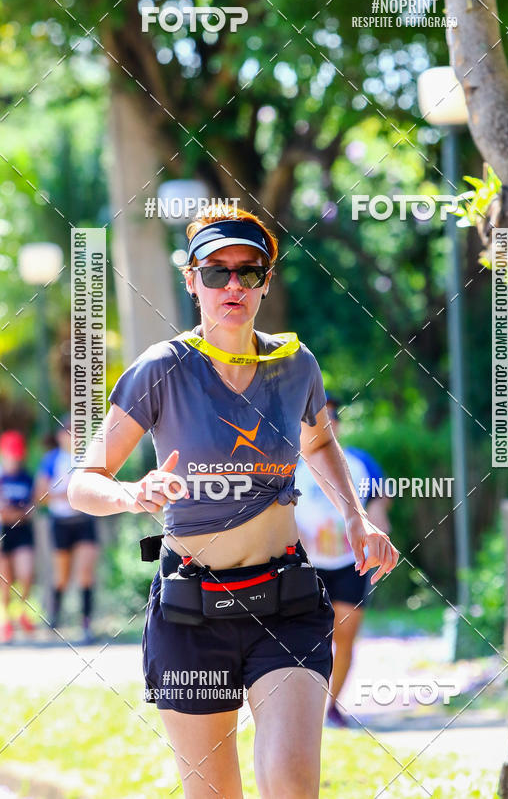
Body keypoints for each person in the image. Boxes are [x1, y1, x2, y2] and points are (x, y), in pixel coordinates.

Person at [68, 208, 400, 799]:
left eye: (249, 273)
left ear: (266, 280)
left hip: (286, 603)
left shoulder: (295, 364)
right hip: (192, 610)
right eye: (216, 272)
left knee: (292, 786)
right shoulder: (161, 369)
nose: (233, 287)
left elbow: (319, 440)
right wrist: (131, 493)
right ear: (191, 279)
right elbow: (83, 481)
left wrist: (354, 516)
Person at [294, 396, 391, 727]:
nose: (328, 421)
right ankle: (304, 707)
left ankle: (332, 705)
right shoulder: (290, 467)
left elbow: (378, 508)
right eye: (320, 417)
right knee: (307, 638)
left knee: (345, 632)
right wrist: (297, 539)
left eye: (332, 416)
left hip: (352, 562)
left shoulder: (361, 463)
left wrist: (379, 537)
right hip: (306, 564)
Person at [35, 416, 99, 643]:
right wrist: (65, 495)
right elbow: (40, 495)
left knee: (85, 573)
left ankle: (86, 625)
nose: (75, 438)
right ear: (61, 436)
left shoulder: (89, 459)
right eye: (70, 433)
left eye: (79, 433)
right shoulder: (51, 460)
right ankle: (54, 619)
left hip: (84, 522)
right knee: (61, 576)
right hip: (60, 523)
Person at [0, 430, 36, 641]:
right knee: (5, 579)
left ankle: (21, 610)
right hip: (4, 533)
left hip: (22, 532)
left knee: (26, 572)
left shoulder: (26, 477)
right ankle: (6, 621)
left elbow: (31, 507)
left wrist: (17, 514)